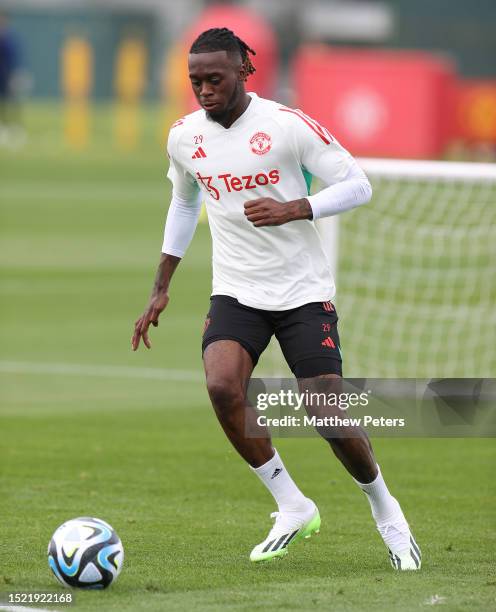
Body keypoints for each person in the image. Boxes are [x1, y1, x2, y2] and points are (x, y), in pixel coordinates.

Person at [132, 27, 421, 570]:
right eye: (195, 80)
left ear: (244, 70)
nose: (204, 89)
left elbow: (358, 184)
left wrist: (296, 207)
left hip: (302, 293)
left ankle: (387, 512)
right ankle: (292, 505)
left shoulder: (286, 127)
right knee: (222, 387)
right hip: (237, 291)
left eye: (214, 78)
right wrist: (161, 286)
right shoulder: (184, 136)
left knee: (326, 411)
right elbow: (184, 203)